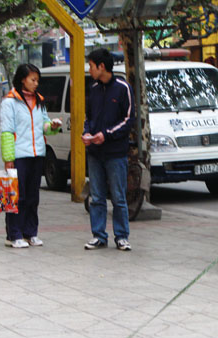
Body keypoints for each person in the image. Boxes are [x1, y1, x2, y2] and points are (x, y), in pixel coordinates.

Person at [0, 63, 61, 248]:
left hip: (37, 154)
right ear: (22, 80)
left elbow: (43, 125)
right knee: (16, 197)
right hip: (19, 155)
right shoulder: (9, 102)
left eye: (37, 80)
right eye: (32, 80)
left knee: (33, 197)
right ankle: (14, 234)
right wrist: (9, 159)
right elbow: (7, 132)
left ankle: (31, 232)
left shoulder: (39, 101)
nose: (36, 83)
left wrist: (52, 127)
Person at [82, 48, 135, 251]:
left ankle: (121, 236)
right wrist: (87, 134)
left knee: (118, 197)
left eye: (91, 66)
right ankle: (98, 235)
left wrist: (107, 134)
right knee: (96, 196)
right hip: (95, 152)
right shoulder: (94, 89)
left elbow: (128, 119)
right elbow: (89, 118)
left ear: (101, 66)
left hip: (115, 153)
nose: (90, 70)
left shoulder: (123, 88)